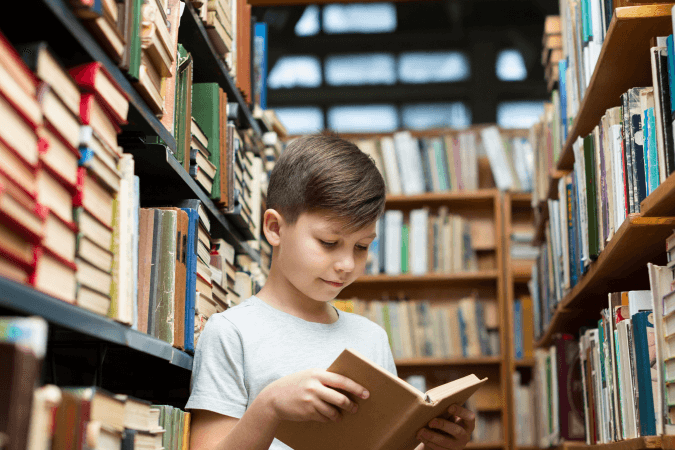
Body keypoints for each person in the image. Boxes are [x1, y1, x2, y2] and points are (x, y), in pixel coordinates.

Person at [187, 133, 476, 450]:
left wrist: (434, 445)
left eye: (362, 247)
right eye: (328, 242)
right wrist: (268, 407)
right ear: (274, 228)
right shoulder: (231, 332)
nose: (347, 264)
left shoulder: (372, 338)